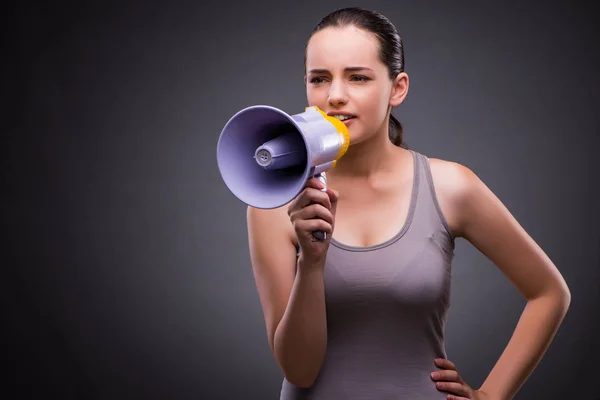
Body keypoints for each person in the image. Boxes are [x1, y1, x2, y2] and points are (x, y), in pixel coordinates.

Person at [246, 7, 571, 400]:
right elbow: (299, 369)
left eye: (358, 77)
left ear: (397, 89)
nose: (334, 95)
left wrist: (491, 395)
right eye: (319, 79)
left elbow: (549, 293)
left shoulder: (450, 186)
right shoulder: (273, 204)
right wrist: (311, 263)